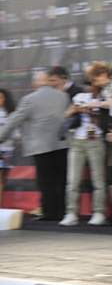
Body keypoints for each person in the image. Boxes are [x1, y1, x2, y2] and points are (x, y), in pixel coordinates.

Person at [0, 72, 69, 221]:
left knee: (45, 181)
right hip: (62, 143)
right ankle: (61, 211)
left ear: (36, 83)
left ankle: (49, 212)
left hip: (41, 145)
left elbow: (14, 120)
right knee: (60, 180)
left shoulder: (29, 99)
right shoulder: (63, 96)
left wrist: (1, 137)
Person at [60, 62, 112, 226]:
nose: (90, 86)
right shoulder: (80, 97)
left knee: (98, 179)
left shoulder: (104, 99)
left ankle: (98, 212)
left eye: (92, 83)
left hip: (95, 140)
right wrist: (76, 109)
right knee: (73, 179)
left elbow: (102, 122)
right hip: (77, 140)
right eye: (88, 83)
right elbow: (65, 115)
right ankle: (71, 212)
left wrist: (89, 111)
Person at [0, 89, 16, 209]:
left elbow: (17, 134)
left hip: (6, 150)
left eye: (0, 98)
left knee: (1, 182)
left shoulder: (11, 115)